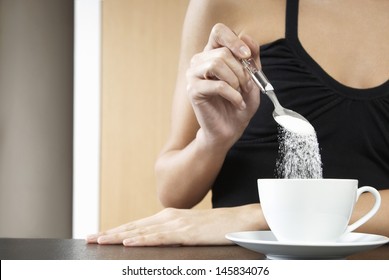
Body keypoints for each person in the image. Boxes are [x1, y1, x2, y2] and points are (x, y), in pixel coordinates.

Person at [87, 0, 389, 246]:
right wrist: (213, 139)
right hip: (241, 266)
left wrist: (254, 217)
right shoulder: (228, 4)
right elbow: (172, 190)